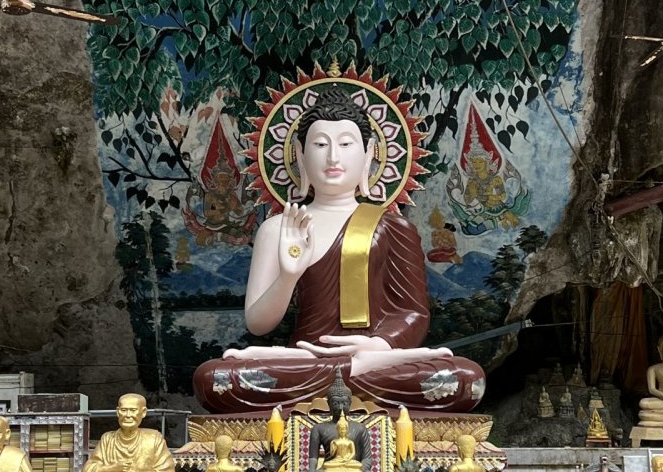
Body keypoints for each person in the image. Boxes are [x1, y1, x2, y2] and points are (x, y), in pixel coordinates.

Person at [192, 83, 484, 414]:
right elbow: (258, 324)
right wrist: (289, 276)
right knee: (215, 378)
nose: (333, 156)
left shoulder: (392, 226)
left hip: (376, 364)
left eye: (346, 144)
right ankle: (341, 377)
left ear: (369, 152)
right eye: (320, 144)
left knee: (462, 378)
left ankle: (350, 373)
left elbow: (413, 312)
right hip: (306, 362)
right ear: (300, 155)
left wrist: (377, 345)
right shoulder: (278, 229)